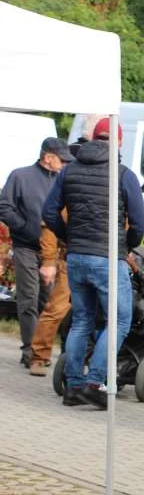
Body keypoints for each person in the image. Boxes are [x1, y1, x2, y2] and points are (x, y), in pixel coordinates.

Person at [42, 117, 144, 409]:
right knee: (119, 320)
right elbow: (139, 221)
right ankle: (95, 381)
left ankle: (73, 386)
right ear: (119, 142)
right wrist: (128, 245)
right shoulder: (123, 174)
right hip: (108, 257)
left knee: (82, 320)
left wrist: (69, 238)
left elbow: (49, 211)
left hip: (76, 257)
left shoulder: (69, 170)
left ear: (92, 138)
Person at [0, 136, 74, 367]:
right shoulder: (20, 176)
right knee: (28, 299)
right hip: (26, 248)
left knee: (49, 301)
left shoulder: (63, 180)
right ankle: (30, 350)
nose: (64, 164)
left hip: (53, 251)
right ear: (48, 157)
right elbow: (4, 206)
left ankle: (43, 348)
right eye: (61, 160)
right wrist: (22, 227)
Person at [26, 210, 71, 377]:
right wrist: (49, 260)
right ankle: (39, 357)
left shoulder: (116, 190)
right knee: (56, 310)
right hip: (71, 260)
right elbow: (50, 224)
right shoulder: (71, 187)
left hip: (104, 261)